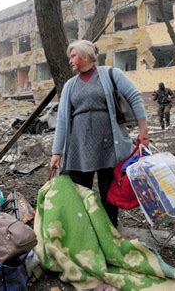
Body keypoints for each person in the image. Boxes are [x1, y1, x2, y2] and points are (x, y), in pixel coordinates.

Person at [49, 40, 149, 228]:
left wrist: (144, 133)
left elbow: (135, 98)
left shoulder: (111, 74)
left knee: (108, 194)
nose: (70, 60)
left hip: (109, 145)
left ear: (85, 56)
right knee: (80, 194)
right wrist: (57, 152)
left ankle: (110, 232)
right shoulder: (70, 85)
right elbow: (62, 119)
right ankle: (86, 234)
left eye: (73, 56)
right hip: (79, 148)